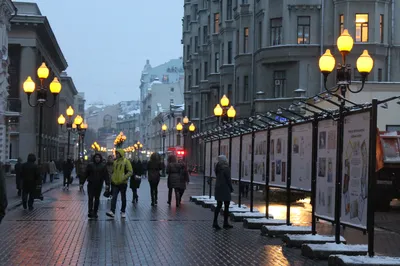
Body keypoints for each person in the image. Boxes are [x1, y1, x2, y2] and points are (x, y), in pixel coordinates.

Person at [83, 153, 110, 219]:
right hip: (91, 184)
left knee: (97, 199)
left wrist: (107, 184)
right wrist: (81, 183)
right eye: (96, 157)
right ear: (94, 158)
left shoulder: (103, 166)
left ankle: (95, 212)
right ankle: (90, 211)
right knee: (90, 198)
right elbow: (85, 174)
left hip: (99, 184)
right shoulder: (90, 165)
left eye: (98, 157)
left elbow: (106, 176)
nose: (97, 158)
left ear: (100, 158)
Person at [106, 149, 132, 219]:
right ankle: (112, 211)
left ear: (120, 154)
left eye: (117, 154)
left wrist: (124, 177)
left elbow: (130, 171)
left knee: (123, 198)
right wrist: (112, 178)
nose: (116, 155)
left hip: (123, 183)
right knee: (114, 197)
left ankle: (123, 211)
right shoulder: (115, 162)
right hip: (115, 182)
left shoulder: (126, 161)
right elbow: (113, 171)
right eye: (116, 154)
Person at [213, 155, 234, 230]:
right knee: (226, 205)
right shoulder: (226, 168)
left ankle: (215, 222)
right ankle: (225, 223)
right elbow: (228, 179)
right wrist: (231, 188)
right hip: (225, 188)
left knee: (219, 205)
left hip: (218, 187)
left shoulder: (217, 167)